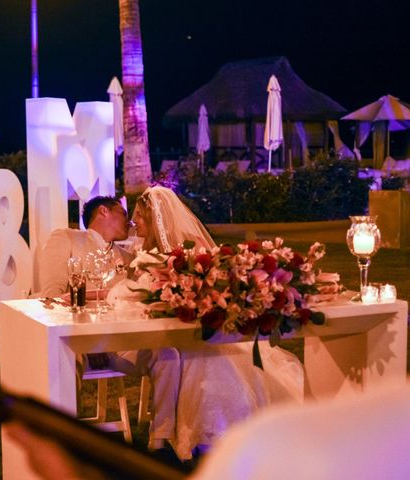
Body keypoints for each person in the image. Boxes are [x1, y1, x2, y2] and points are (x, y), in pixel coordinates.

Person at [6, 101, 410, 479]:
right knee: (179, 353)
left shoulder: (279, 456)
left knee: (181, 353)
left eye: (137, 218)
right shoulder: (77, 245)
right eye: (128, 216)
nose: (132, 223)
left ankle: (166, 439)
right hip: (117, 339)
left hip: (160, 337)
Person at [129, 186, 304, 460]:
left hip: (184, 331)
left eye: (139, 216)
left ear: (154, 219)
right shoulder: (144, 254)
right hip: (171, 334)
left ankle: (213, 430)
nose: (134, 222)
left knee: (206, 361)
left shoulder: (174, 256)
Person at [38, 195, 181, 450]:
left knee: (168, 353)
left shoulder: (129, 258)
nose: (131, 222)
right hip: (78, 340)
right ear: (104, 211)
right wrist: (101, 297)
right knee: (67, 357)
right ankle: (67, 443)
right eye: (125, 214)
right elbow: (52, 295)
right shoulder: (67, 239)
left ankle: (159, 440)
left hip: (118, 343)